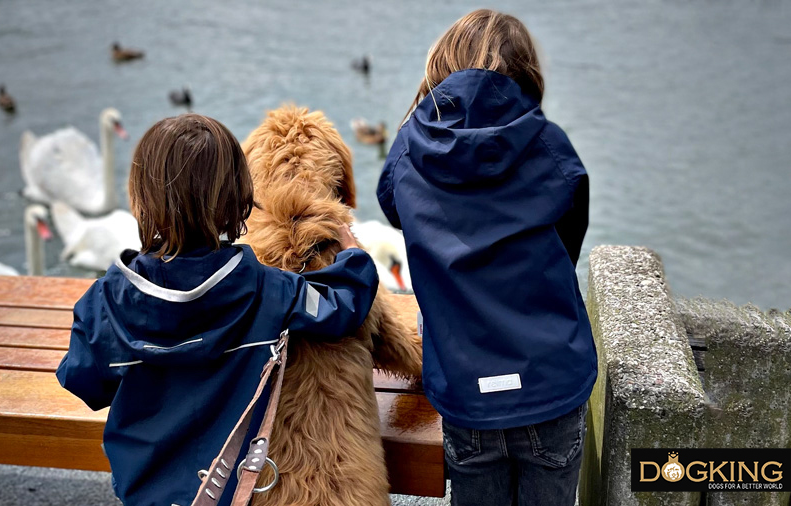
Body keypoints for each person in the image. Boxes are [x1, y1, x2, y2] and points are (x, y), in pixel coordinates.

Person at [57, 113, 379, 506]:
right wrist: (353, 260)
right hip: (226, 489)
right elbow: (341, 308)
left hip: (143, 491)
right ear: (241, 198)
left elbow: (82, 381)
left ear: (139, 198)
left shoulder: (105, 300)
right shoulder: (267, 289)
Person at [376, 9, 597, 506]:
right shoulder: (549, 146)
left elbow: (395, 209)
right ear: (526, 75)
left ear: (440, 66)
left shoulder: (412, 152)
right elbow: (568, 243)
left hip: (466, 390)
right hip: (550, 385)